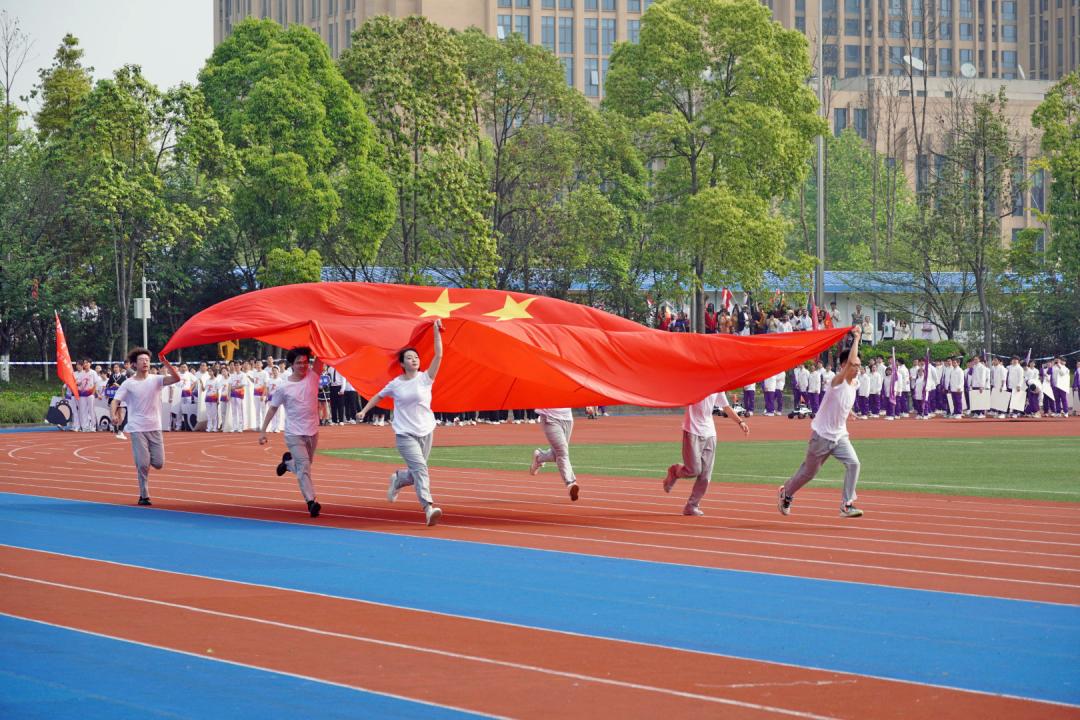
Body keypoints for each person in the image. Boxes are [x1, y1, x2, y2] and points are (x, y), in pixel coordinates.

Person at [356, 319, 445, 526]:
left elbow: (439, 355)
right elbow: (378, 396)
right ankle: (428, 508)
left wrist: (435, 332)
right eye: (409, 358)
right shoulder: (395, 384)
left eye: (416, 357)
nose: (413, 360)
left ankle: (398, 478)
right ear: (402, 364)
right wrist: (364, 410)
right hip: (405, 434)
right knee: (421, 469)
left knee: (415, 474)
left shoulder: (425, 378)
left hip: (426, 431)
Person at [778, 327, 865, 519]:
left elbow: (842, 401)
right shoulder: (837, 381)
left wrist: (849, 412)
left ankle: (846, 504)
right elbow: (849, 362)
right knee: (808, 473)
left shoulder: (855, 384)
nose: (858, 368)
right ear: (844, 366)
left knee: (854, 464)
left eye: (859, 365)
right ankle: (787, 493)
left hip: (840, 436)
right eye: (854, 365)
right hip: (821, 436)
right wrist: (857, 338)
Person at [259, 346, 325, 518]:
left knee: (305, 465)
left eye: (305, 362)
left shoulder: (313, 376)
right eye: (298, 363)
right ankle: (311, 502)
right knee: (304, 468)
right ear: (291, 365)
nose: (303, 366)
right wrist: (263, 431)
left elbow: (323, 354)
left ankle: (288, 464)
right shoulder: (283, 387)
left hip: (312, 430)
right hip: (294, 433)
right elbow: (272, 409)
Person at [110, 348, 181, 506]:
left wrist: (166, 363)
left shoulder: (156, 379)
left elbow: (176, 378)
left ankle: (145, 460)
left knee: (159, 463)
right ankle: (144, 494)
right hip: (137, 428)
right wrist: (113, 414)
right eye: (142, 360)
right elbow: (115, 400)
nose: (145, 362)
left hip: (155, 427)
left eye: (147, 360)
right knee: (142, 464)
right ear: (135, 364)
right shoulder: (129, 383)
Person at [664, 390, 749, 516]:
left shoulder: (717, 387)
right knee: (693, 470)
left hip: (710, 433)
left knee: (705, 475)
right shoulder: (693, 383)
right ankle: (675, 471)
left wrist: (740, 422)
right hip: (692, 430)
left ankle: (692, 506)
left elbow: (725, 407)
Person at [529, 407, 580, 501]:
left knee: (556, 454)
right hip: (549, 417)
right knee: (562, 452)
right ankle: (571, 484)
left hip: (567, 417)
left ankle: (539, 457)